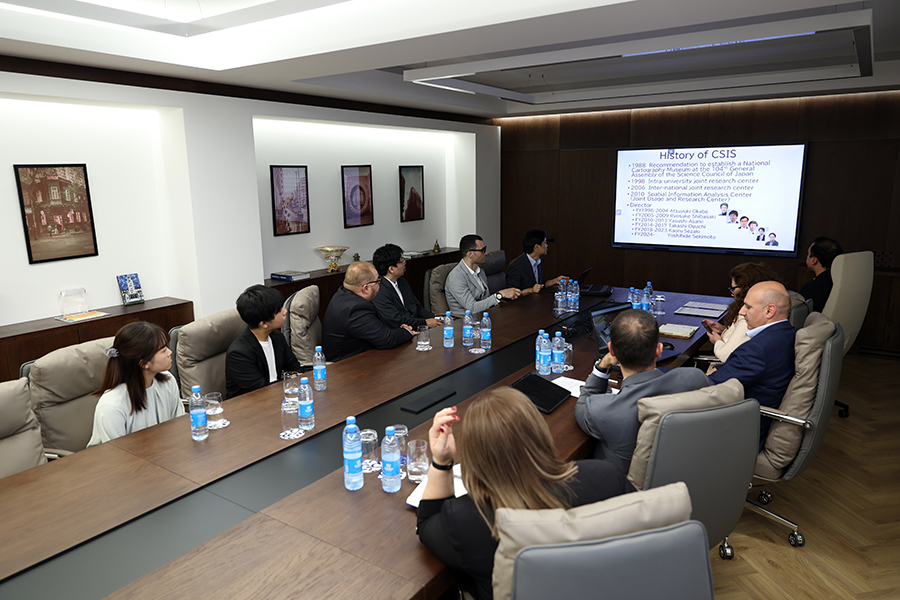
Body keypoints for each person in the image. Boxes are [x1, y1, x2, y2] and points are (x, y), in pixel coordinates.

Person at [417, 389, 627, 600]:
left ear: (475, 455)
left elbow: (426, 524)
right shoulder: (607, 478)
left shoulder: (466, 519)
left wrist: (442, 461)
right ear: (540, 431)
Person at [574, 309, 709, 475]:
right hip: (693, 476)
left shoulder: (603, 410)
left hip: (627, 489)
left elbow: (583, 403)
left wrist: (602, 366)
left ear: (612, 351)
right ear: (659, 350)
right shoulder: (696, 379)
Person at [708, 281, 796, 446]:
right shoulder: (788, 334)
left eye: (748, 307)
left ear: (769, 311)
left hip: (735, 430)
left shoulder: (758, 349)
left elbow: (710, 386)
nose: (741, 312)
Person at [87, 322, 184, 447]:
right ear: (143, 363)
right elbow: (117, 454)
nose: (169, 352)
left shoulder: (167, 381)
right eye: (163, 350)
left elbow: (178, 427)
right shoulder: (112, 406)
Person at [322, 261, 415, 361]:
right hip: (348, 364)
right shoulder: (356, 309)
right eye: (378, 281)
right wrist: (407, 331)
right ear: (366, 288)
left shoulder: (342, 294)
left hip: (360, 355)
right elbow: (387, 339)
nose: (380, 283)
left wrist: (397, 332)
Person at [226, 285, 302, 399]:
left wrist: (291, 379)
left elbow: (296, 371)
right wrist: (289, 381)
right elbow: (261, 390)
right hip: (251, 404)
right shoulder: (239, 353)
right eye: (279, 311)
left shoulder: (277, 337)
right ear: (264, 323)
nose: (285, 311)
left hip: (277, 396)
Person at [702, 262, 779, 362]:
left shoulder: (748, 317)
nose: (732, 294)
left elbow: (726, 356)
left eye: (733, 289)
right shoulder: (765, 308)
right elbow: (741, 338)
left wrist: (717, 341)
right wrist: (724, 330)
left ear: (745, 289)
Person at [445, 234, 521, 314]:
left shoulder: (481, 272)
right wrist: (499, 295)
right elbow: (472, 308)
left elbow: (485, 300)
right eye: (482, 250)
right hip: (465, 320)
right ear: (470, 254)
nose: (486, 253)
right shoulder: (456, 277)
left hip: (484, 315)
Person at [371, 243, 440, 329]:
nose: (405, 263)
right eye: (402, 261)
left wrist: (436, 318)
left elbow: (417, 308)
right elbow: (395, 320)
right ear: (391, 269)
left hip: (415, 327)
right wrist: (425, 322)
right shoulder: (379, 290)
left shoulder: (402, 282)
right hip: (398, 332)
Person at [504, 229, 564, 295]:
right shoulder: (516, 266)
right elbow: (511, 293)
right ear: (537, 247)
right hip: (523, 300)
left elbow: (539, 285)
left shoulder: (540, 261)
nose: (547, 246)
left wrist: (555, 281)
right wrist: (530, 290)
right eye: (545, 243)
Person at [800, 236, 843, 311]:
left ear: (814, 260)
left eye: (808, 254)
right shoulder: (840, 281)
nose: (807, 257)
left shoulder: (811, 288)